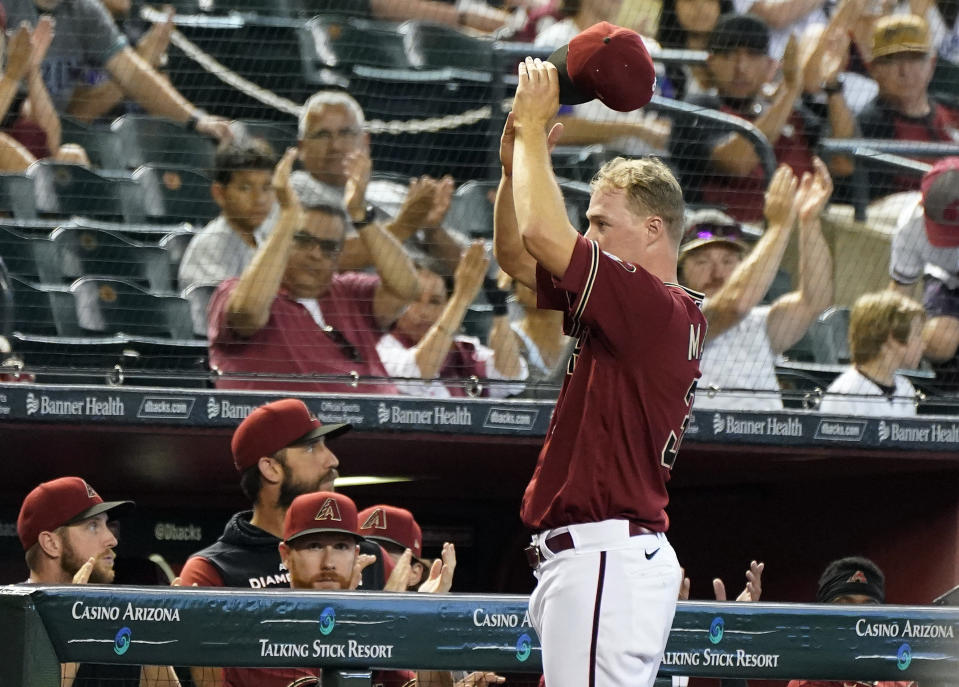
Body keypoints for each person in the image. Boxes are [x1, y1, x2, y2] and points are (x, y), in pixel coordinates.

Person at [493, 24, 706, 687]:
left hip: (605, 554)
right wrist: (512, 166)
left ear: (652, 230)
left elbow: (539, 229)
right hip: (601, 557)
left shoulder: (650, 303)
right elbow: (513, 257)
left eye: (599, 223)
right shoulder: (644, 304)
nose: (587, 234)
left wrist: (532, 132)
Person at [179, 398, 390, 687]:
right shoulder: (213, 570)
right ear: (270, 468)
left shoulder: (368, 554)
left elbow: (401, 673)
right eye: (312, 447)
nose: (332, 460)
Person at [207, 147, 420, 394]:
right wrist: (289, 217)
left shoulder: (348, 292)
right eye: (303, 240)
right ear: (284, 239)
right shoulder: (236, 292)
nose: (316, 254)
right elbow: (248, 313)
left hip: (375, 425)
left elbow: (406, 288)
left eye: (328, 247)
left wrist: (360, 215)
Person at [669, 13, 854, 223]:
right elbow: (737, 163)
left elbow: (843, 164)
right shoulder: (697, 108)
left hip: (804, 228)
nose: (741, 68)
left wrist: (832, 85)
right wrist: (791, 90)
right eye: (729, 55)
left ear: (769, 65)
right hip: (728, 235)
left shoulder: (794, 115)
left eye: (753, 55)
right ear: (710, 62)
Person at [221, 491, 418, 687]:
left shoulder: (368, 632)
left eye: (341, 547)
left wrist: (434, 626)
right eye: (314, 546)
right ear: (285, 555)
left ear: (356, 553)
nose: (329, 563)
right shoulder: (264, 632)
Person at [680, 161, 834, 410]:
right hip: (705, 444)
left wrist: (809, 222)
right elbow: (735, 305)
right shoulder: (678, 317)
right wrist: (779, 226)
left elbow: (814, 301)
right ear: (681, 271)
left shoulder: (757, 323)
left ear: (744, 265)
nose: (717, 273)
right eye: (702, 262)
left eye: (728, 261)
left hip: (768, 442)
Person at [17, 476, 180, 687]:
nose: (112, 540)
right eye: (93, 526)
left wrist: (153, 632)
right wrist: (71, 623)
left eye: (107, 525)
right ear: (51, 543)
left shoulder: (115, 621)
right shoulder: (11, 618)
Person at [292, 90, 464, 276]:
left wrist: (433, 231)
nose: (336, 146)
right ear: (302, 148)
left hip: (432, 296)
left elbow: (467, 269)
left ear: (365, 142)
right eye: (322, 135)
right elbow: (330, 256)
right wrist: (403, 226)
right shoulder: (293, 192)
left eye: (346, 133)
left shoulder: (392, 191)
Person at [3, 0, 230, 141]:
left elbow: (132, 74)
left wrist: (196, 120)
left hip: (55, 137)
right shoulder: (7, 7)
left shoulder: (86, 10)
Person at [376, 241, 529, 398]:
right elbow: (417, 374)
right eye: (414, 299)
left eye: (435, 301)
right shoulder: (383, 347)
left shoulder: (464, 350)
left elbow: (512, 378)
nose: (423, 312)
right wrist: (461, 297)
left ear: (446, 306)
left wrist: (499, 308)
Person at [858, 14, 959, 199]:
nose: (904, 71)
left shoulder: (951, 108)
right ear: (874, 68)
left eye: (914, 58)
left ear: (932, 63)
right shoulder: (871, 123)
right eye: (892, 60)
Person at [786, 557, 916, 687]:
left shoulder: (901, 681)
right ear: (824, 618)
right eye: (844, 605)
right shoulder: (805, 683)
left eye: (868, 607)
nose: (858, 618)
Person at [178, 137, 278, 291]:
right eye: (245, 188)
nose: (259, 199)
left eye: (266, 187)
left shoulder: (265, 237)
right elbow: (234, 312)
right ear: (219, 193)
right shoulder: (210, 247)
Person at [888, 157, 959, 363]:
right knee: (940, 341)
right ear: (922, 202)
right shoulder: (911, 223)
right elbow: (901, 294)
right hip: (946, 279)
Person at [819, 291, 925, 417]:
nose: (923, 345)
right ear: (890, 339)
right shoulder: (843, 396)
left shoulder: (906, 389)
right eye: (917, 334)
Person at [656, 0, 735, 100]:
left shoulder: (741, 61)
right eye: (689, 1)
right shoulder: (658, 61)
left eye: (708, 1)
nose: (699, 8)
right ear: (672, 7)